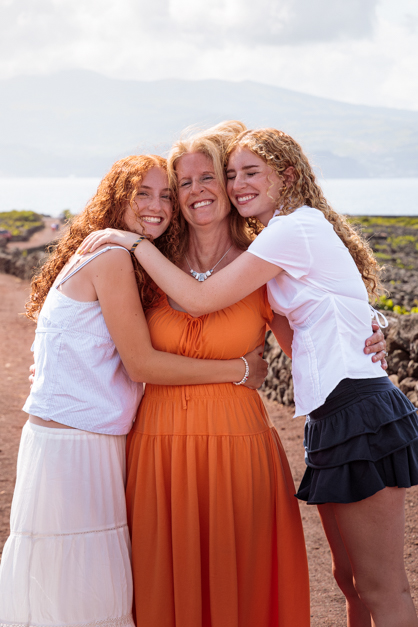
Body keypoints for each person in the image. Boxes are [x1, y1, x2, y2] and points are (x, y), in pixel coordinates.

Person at [79, 126, 389, 627]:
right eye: (184, 182)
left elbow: (313, 321)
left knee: (238, 587)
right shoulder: (146, 266)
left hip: (238, 448)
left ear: (227, 189)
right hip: (158, 446)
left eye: (210, 177)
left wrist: (372, 329)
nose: (197, 189)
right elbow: (87, 334)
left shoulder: (265, 264)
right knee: (163, 587)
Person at [0, 154, 268, 627]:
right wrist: (238, 368)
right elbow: (141, 363)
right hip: (77, 444)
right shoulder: (111, 258)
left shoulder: (101, 250)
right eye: (142, 193)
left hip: (66, 438)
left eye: (166, 195)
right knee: (82, 593)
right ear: (115, 197)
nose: (158, 205)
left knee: (63, 589)